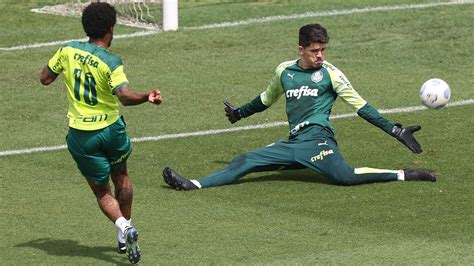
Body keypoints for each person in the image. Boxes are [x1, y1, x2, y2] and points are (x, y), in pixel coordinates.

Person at [162, 23, 435, 191]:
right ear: (301, 49)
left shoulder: (331, 74)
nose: (320, 56)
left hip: (318, 139)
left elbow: (362, 107)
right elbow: (266, 99)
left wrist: (396, 131)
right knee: (244, 160)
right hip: (294, 142)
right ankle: (193, 184)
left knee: (345, 177)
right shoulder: (284, 71)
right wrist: (240, 113)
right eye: (315, 51)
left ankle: (404, 174)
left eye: (323, 50)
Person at [39, 2, 162, 264]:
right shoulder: (111, 62)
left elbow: (45, 78)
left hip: (83, 135)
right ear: (110, 28)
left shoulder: (67, 50)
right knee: (122, 176)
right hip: (111, 130)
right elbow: (125, 97)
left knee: (101, 191)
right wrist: (146, 96)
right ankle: (124, 234)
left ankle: (124, 228)